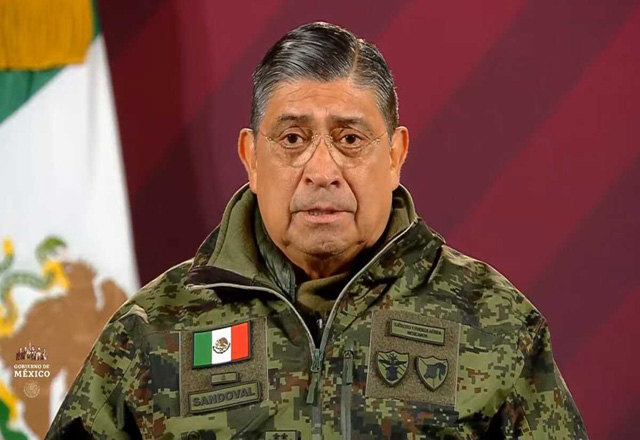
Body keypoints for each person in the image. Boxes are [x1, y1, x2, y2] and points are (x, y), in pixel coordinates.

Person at [46, 22, 587, 439]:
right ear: (250, 157)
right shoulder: (152, 329)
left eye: (350, 139)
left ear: (395, 155)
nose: (322, 170)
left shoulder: (494, 320)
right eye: (293, 139)